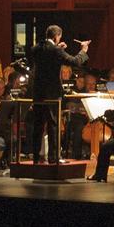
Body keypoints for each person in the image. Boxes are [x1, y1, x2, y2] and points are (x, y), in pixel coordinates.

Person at [28, 25, 89, 163]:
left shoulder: (36, 49)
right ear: (56, 36)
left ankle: (36, 158)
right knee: (53, 126)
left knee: (38, 126)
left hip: (38, 93)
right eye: (59, 38)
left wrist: (58, 48)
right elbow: (75, 61)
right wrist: (83, 50)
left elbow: (47, 56)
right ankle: (53, 158)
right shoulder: (56, 50)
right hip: (52, 94)